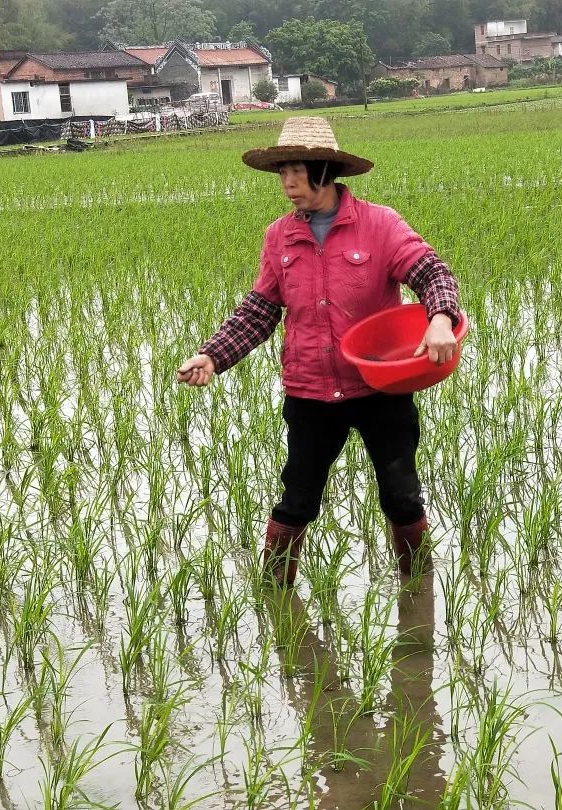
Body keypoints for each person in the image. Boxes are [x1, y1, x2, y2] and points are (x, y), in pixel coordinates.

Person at [177, 116, 460, 585]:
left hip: (379, 389)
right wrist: (212, 356)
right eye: (281, 171)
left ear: (325, 171)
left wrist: (440, 320)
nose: (287, 182)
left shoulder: (380, 224)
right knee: (297, 499)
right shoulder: (279, 236)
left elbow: (433, 274)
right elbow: (260, 310)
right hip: (309, 391)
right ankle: (275, 594)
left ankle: (419, 590)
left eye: (296, 170)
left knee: (402, 496)